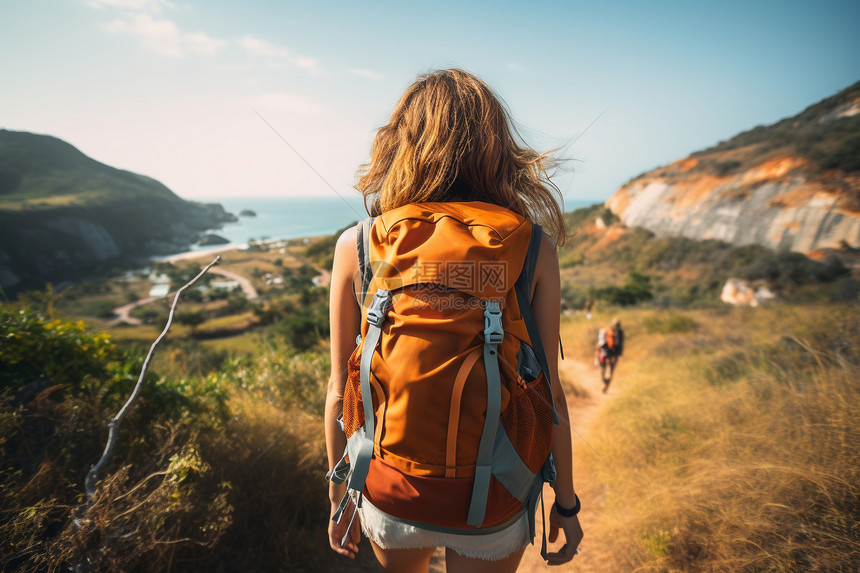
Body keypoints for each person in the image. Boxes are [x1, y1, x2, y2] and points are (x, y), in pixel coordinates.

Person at [325, 69, 583, 572]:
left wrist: (340, 497)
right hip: (496, 498)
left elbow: (339, 388)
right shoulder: (531, 246)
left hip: (388, 490)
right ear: (496, 146)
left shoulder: (357, 243)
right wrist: (566, 504)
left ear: (399, 144)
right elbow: (551, 396)